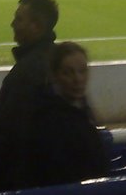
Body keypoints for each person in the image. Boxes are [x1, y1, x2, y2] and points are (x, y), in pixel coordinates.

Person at [0, 0, 59, 192]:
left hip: (22, 178)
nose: (12, 24)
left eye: (19, 19)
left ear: (37, 26)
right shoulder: (55, 59)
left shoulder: (28, 71)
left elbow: (9, 129)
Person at [30, 42, 109, 187]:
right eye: (68, 72)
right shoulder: (49, 119)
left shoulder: (80, 107)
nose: (77, 79)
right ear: (54, 75)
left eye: (82, 71)